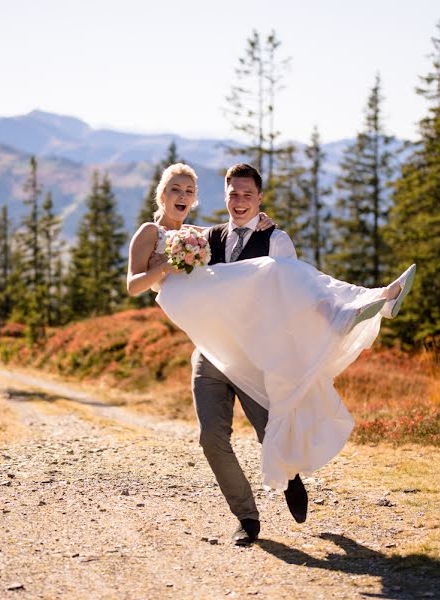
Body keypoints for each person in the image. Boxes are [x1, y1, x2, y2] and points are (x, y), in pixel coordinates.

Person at [126, 163, 415, 547]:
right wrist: (168, 263)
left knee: (270, 429)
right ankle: (246, 518)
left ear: (259, 199)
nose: (239, 201)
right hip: (212, 352)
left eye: (248, 195)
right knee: (211, 438)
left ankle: (358, 306)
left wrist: (267, 226)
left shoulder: (266, 236)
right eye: (233, 195)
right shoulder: (206, 237)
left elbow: (292, 290)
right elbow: (149, 276)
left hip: (255, 354)